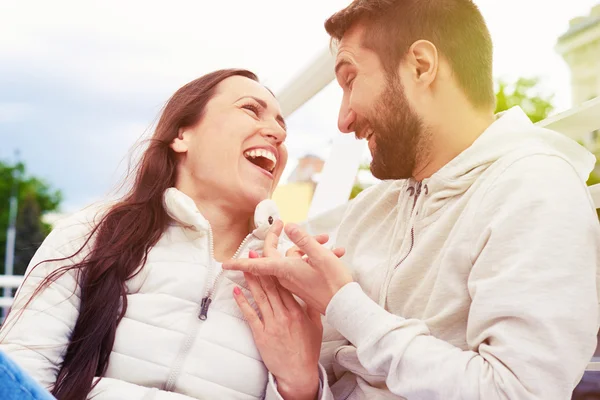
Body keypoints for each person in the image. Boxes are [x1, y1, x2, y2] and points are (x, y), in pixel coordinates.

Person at [223, 1, 600, 399]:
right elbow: (326, 373)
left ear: (421, 65)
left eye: (351, 81)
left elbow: (516, 392)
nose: (343, 119)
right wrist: (304, 381)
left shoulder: (536, 189)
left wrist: (343, 303)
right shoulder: (371, 210)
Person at [0, 69, 329, 400]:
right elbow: (23, 370)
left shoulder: (292, 277)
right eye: (249, 109)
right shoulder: (94, 231)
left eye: (282, 126)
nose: (276, 133)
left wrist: (301, 385)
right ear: (182, 135)